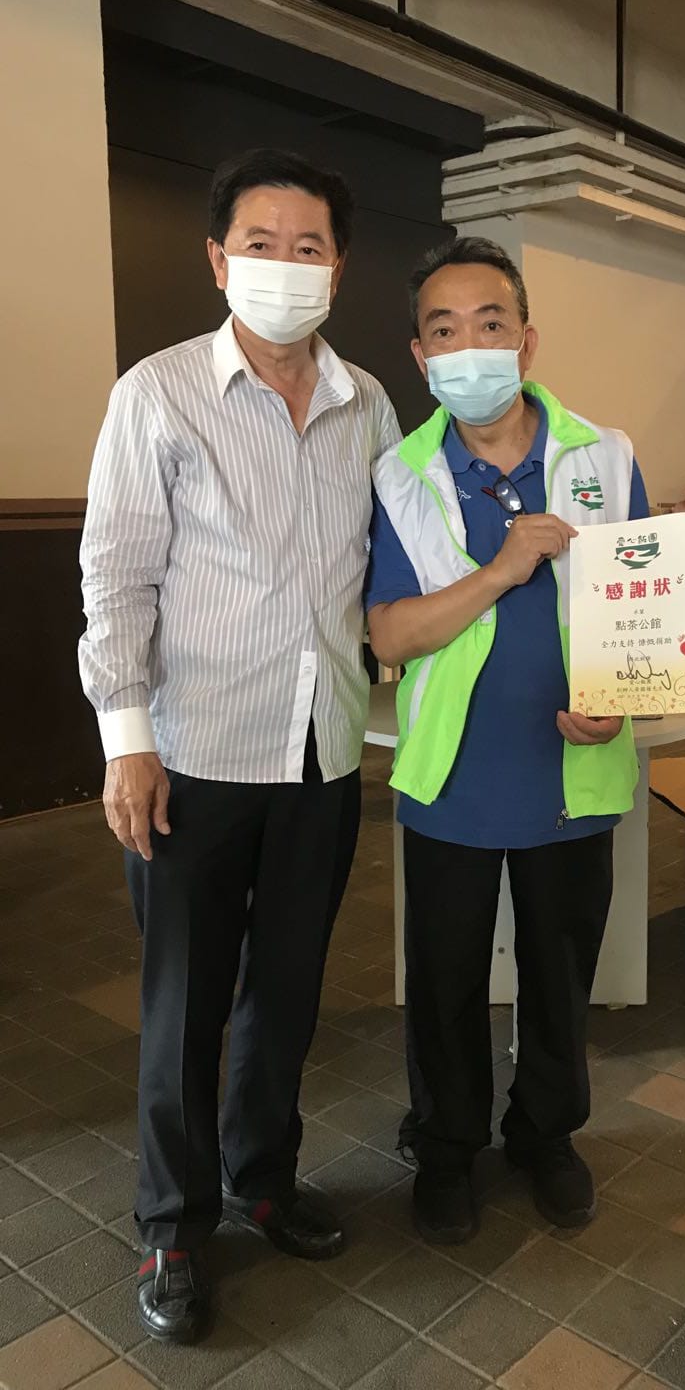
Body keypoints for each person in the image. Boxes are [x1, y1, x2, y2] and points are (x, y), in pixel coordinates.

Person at [79, 148, 401, 1344]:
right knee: (185, 1001)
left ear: (338, 268)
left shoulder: (370, 404)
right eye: (260, 244)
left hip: (322, 749)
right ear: (219, 261)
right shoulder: (158, 394)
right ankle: (173, 1223)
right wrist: (127, 740)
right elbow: (115, 575)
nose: (284, 265)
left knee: (291, 985)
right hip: (194, 753)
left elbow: (400, 559)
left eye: (308, 246)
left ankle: (262, 1174)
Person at [364, 237, 650, 1243]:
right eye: (444, 331)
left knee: (560, 973)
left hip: (571, 768)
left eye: (490, 324)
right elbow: (390, 634)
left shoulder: (603, 457)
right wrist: (499, 571)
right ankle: (447, 1145)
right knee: (443, 978)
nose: (469, 347)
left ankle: (545, 1135)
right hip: (453, 775)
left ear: (526, 342)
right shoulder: (400, 474)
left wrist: (618, 703)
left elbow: (640, 612)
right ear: (420, 356)